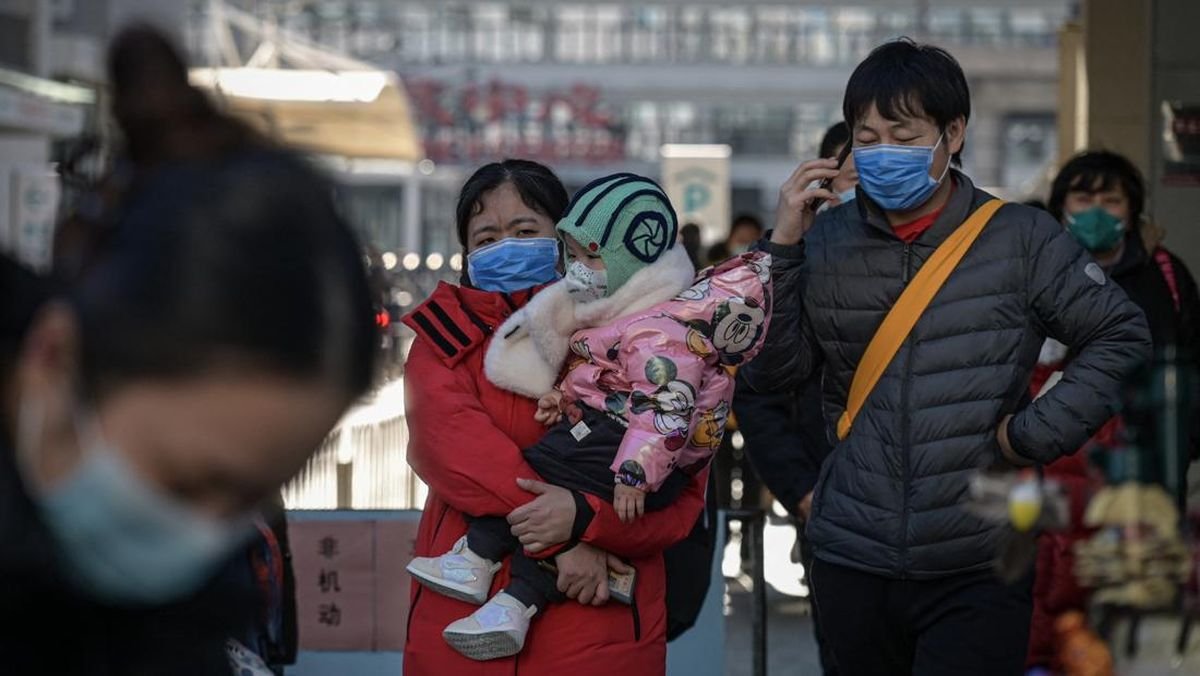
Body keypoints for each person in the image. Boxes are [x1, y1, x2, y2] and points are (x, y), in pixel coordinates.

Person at [742, 38, 1152, 675]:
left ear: (952, 133)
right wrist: (784, 248)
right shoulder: (823, 241)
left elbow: (1121, 335)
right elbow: (774, 373)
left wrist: (1030, 435)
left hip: (981, 556)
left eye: (903, 136)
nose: (881, 154)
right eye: (866, 137)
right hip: (853, 553)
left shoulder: (1020, 238)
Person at [0, 26, 376, 675]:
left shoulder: (183, 623)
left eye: (250, 501)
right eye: (188, 482)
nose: (202, 539)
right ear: (54, 358)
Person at [407, 172, 770, 660]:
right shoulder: (444, 338)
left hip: (595, 628)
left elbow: (681, 497)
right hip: (461, 615)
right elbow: (453, 451)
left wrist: (589, 519)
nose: (507, 248)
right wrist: (564, 544)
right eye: (486, 239)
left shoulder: (647, 333)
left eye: (524, 230)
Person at [1023, 150, 1200, 669]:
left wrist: (1179, 449)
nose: (1097, 208)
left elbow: (1191, 363)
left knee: (1135, 616)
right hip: (1053, 475)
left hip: (1144, 478)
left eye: (1111, 198)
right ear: (1062, 207)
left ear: (1133, 208)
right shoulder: (1037, 271)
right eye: (1083, 197)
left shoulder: (1164, 274)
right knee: (1051, 598)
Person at [732, 119, 859, 676]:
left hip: (931, 509)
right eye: (856, 164)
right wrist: (804, 492)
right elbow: (756, 393)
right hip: (830, 503)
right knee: (844, 648)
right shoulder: (789, 266)